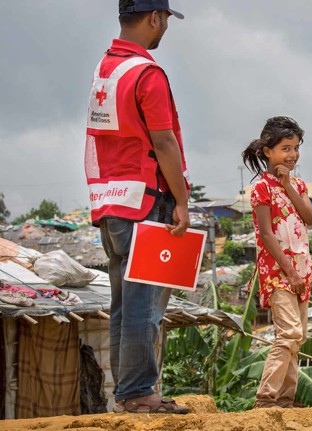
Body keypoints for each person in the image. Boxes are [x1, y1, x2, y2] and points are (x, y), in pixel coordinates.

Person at [84, 0, 191, 414]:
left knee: (123, 305)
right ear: (154, 17)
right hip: (145, 202)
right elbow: (164, 142)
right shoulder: (146, 72)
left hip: (110, 203)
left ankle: (129, 391)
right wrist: (181, 201)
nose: (165, 26)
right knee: (144, 305)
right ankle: (139, 393)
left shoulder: (105, 71)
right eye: (165, 19)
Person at [241, 116, 312, 408]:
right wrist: (289, 273)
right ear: (267, 151)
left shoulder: (297, 183)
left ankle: (286, 399)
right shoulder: (261, 188)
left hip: (303, 268)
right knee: (290, 332)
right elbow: (267, 235)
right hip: (277, 270)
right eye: (285, 148)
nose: (292, 155)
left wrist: (289, 186)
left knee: (299, 337)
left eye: (295, 148)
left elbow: (309, 217)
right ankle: (266, 398)